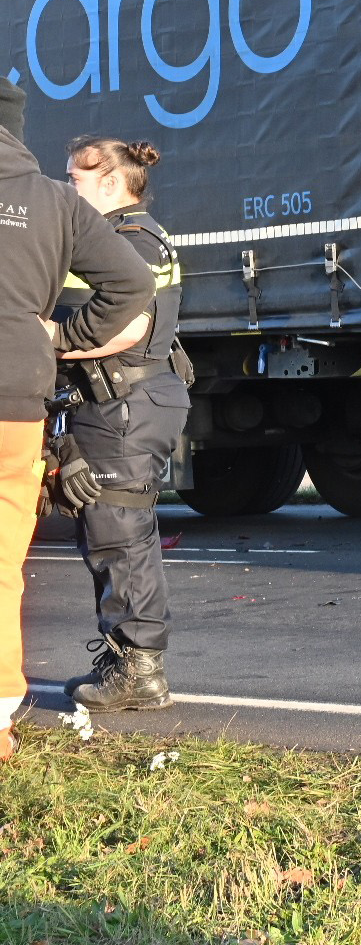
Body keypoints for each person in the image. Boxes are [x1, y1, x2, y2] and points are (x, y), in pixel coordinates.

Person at [0, 79, 154, 754]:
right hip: (16, 401)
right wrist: (52, 340)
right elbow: (132, 285)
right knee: (3, 563)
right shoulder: (55, 202)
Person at [56, 135, 193, 712]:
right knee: (111, 531)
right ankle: (123, 660)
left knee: (119, 533)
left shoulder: (127, 241)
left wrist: (51, 342)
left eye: (76, 181)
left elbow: (129, 327)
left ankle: (138, 672)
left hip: (124, 407)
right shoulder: (134, 235)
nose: (68, 190)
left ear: (111, 183)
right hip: (125, 405)